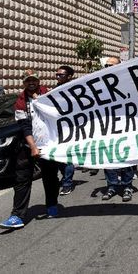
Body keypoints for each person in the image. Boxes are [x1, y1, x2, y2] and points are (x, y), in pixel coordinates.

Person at [0, 70, 52, 229]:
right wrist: (33, 147)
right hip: (28, 145)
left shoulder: (48, 95)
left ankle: (52, 205)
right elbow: (25, 126)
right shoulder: (20, 101)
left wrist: (41, 102)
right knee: (22, 180)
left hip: (48, 144)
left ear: (38, 81)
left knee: (50, 177)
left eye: (34, 80)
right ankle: (17, 215)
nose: (31, 83)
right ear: (24, 83)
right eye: (28, 81)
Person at [101, 57, 136, 202]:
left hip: (125, 127)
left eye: (111, 65)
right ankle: (112, 186)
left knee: (126, 158)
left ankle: (127, 186)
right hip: (106, 128)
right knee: (109, 158)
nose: (108, 67)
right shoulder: (98, 84)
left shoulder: (127, 84)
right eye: (106, 65)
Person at [55, 66, 76, 196]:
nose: (58, 77)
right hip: (58, 129)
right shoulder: (55, 90)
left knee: (68, 157)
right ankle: (65, 177)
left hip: (71, 129)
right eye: (56, 74)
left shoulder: (74, 89)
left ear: (69, 77)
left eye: (61, 75)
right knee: (58, 157)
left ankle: (67, 183)